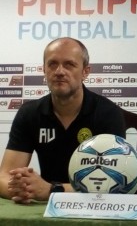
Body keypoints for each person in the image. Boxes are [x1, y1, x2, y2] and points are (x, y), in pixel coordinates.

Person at [0, 37, 126, 204]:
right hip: (45, 209)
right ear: (44, 70)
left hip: (95, 209)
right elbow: (4, 176)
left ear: (85, 72)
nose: (59, 71)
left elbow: (113, 183)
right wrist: (23, 188)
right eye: (52, 64)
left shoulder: (108, 113)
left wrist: (51, 190)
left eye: (69, 64)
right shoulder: (29, 113)